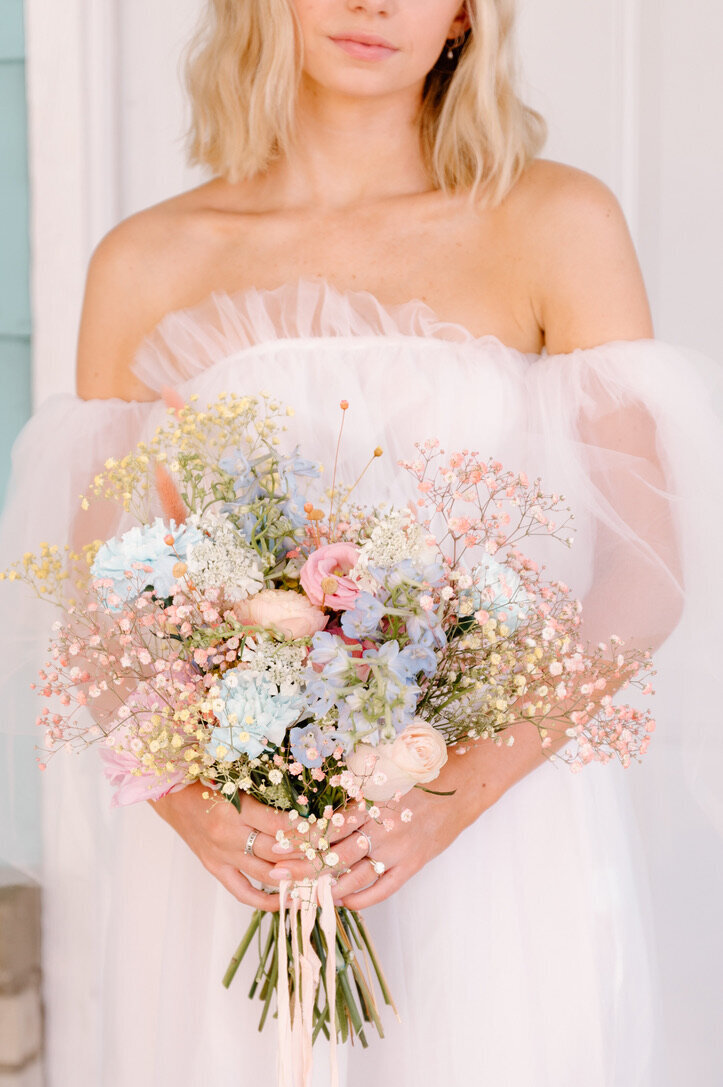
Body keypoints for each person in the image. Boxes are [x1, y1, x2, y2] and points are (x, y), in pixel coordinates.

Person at [0, 1, 721, 1084]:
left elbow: (642, 578)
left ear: (467, 14)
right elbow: (105, 603)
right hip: (251, 859)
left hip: (498, 844)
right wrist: (202, 811)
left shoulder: (555, 221)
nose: (374, 2)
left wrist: (451, 797)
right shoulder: (146, 261)